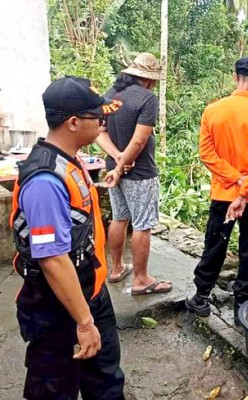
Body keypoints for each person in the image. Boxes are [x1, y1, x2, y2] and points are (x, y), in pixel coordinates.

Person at [10, 76, 125, 399]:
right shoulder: (45, 180)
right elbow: (52, 259)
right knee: (54, 388)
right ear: (73, 123)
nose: (103, 124)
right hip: (58, 308)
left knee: (106, 383)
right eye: (97, 118)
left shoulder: (70, 161)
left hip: (89, 293)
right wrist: (84, 322)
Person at [185, 57, 248, 326]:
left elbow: (207, 154)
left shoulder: (213, 111)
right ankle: (242, 308)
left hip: (224, 195)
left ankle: (201, 297)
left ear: (234, 76)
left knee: (215, 244)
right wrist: (246, 187)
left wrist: (235, 181)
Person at [97, 52, 172, 295]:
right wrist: (122, 164)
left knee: (119, 218)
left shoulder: (111, 95)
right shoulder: (147, 99)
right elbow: (139, 142)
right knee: (142, 225)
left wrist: (116, 159)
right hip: (139, 172)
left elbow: (99, 132)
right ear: (149, 80)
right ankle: (141, 279)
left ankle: (117, 268)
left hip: (114, 170)